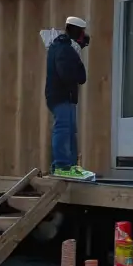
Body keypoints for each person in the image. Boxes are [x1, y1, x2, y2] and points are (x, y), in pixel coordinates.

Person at [46, 16, 94, 181]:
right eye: (82, 32)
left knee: (69, 131)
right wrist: (76, 58)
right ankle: (62, 166)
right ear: (76, 31)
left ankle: (70, 166)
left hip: (63, 96)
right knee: (63, 129)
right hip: (62, 96)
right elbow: (72, 75)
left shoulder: (60, 46)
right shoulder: (64, 48)